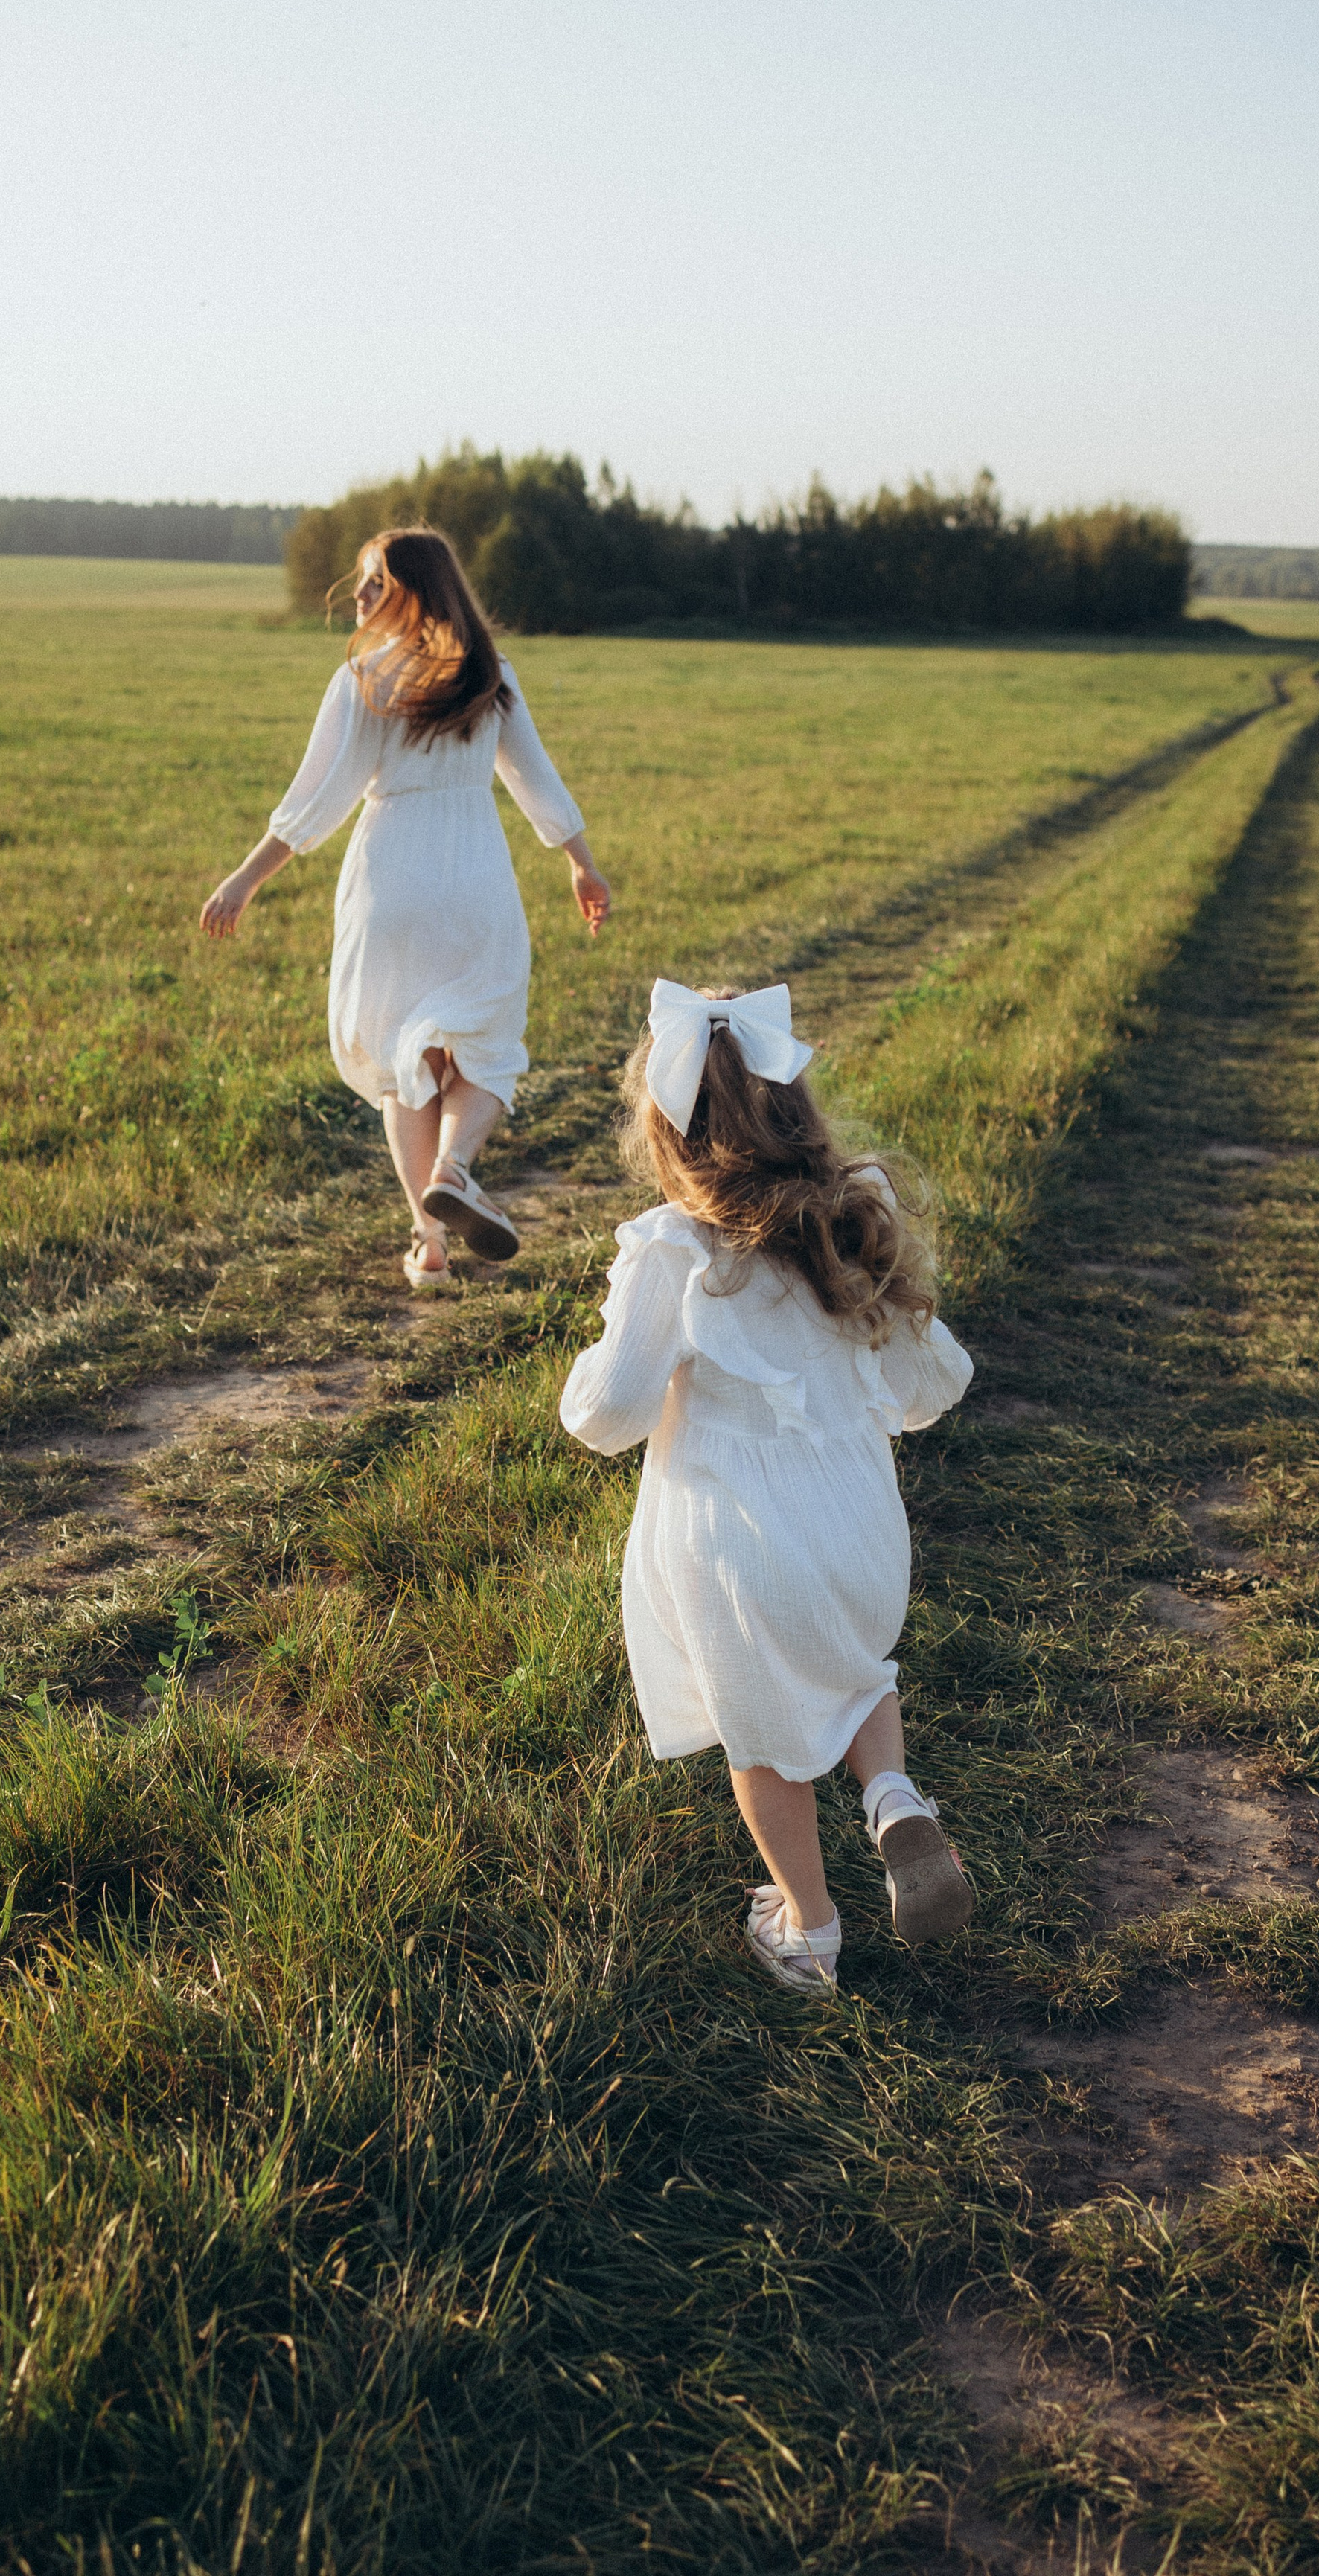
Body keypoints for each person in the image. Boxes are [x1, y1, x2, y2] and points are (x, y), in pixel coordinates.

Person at [558, 978, 975, 1993]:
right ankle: (891, 1798)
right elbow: (935, 1385)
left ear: (670, 1132)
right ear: (797, 1110)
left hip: (735, 1539)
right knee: (851, 1668)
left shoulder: (675, 1248)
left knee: (765, 1740)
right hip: (860, 1529)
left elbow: (608, 1416)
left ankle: (810, 1925)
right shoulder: (850, 1220)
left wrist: (595, 1373)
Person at [201, 528, 610, 1290]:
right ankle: (454, 1170)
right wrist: (581, 865)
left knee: (402, 1064)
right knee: (486, 1044)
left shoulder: (362, 679)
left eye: (371, 583)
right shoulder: (491, 675)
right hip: (475, 877)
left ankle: (428, 1241)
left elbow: (315, 802)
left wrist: (244, 880)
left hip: (390, 877)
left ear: (408, 593)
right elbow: (538, 785)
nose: (356, 598)